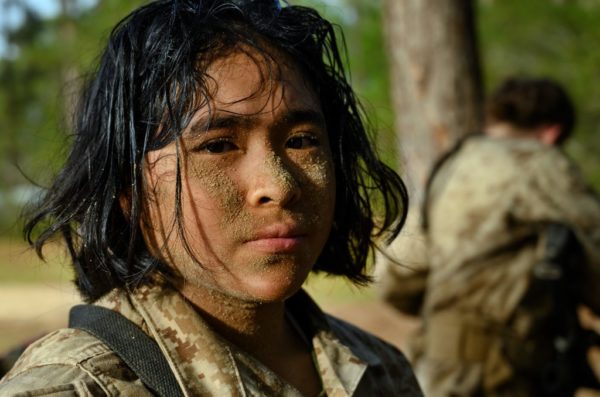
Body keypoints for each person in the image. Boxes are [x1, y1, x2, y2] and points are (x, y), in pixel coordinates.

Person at [0, 1, 423, 395]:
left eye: (301, 141)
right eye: (218, 146)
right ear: (129, 194)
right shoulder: (76, 386)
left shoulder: (380, 370)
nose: (278, 186)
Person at [377, 76, 600, 396]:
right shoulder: (540, 162)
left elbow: (395, 279)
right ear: (553, 133)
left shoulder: (450, 168)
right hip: (506, 375)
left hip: (437, 371)